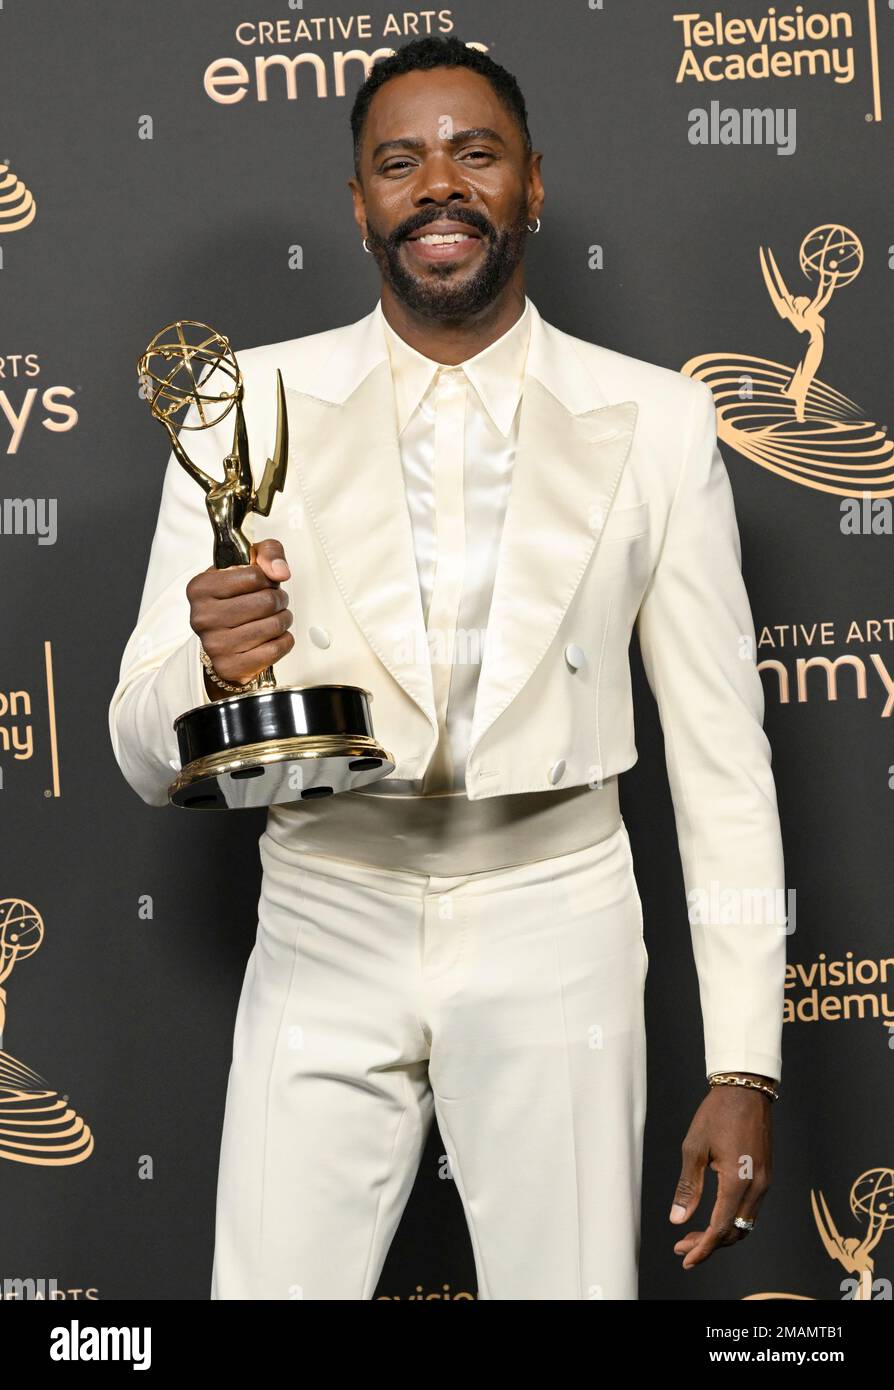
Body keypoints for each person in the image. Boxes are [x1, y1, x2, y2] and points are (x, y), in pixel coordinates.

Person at [108, 35, 787, 1300]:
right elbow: (142, 749)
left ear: (531, 186)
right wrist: (210, 672)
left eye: (475, 154)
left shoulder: (658, 418)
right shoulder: (236, 404)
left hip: (561, 923)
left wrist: (745, 1064)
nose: (439, 185)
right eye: (399, 161)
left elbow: (723, 767)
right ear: (357, 203)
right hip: (324, 909)